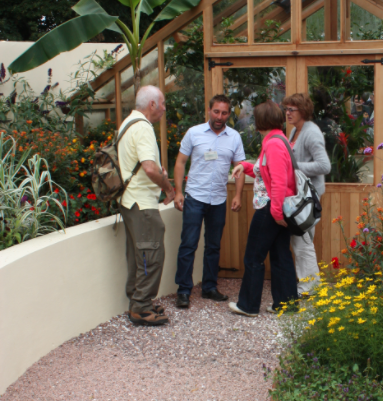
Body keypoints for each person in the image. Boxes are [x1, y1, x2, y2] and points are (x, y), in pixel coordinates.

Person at [173, 94, 246, 307]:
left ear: (228, 114)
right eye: (216, 111)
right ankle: (184, 290)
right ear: (209, 110)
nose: (219, 116)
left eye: (224, 113)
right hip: (195, 197)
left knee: (213, 246)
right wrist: (178, 192)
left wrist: (239, 195)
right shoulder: (194, 133)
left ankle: (209, 287)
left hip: (219, 200)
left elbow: (240, 168)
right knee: (189, 244)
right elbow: (180, 163)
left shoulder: (234, 137)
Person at [228, 101, 298, 317]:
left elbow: (277, 181)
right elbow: (265, 171)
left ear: (259, 122)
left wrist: (276, 213)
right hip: (277, 207)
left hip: (271, 208)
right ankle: (286, 305)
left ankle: (248, 305)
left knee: (253, 257)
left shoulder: (273, 144)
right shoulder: (278, 139)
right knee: (280, 256)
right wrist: (245, 166)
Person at [118, 85, 176, 327]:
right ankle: (141, 308)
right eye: (162, 104)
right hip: (141, 203)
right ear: (152, 104)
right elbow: (149, 168)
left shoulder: (127, 123)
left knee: (138, 254)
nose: (164, 109)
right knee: (151, 255)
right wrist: (168, 186)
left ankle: (137, 300)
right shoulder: (142, 127)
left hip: (130, 200)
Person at [282, 93, 331, 296]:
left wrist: (293, 167)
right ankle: (309, 284)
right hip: (299, 196)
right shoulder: (295, 131)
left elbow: (324, 165)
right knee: (301, 239)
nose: (287, 113)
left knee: (302, 240)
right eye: (286, 109)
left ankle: (310, 287)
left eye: (291, 109)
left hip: (309, 198)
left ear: (303, 110)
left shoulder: (311, 133)